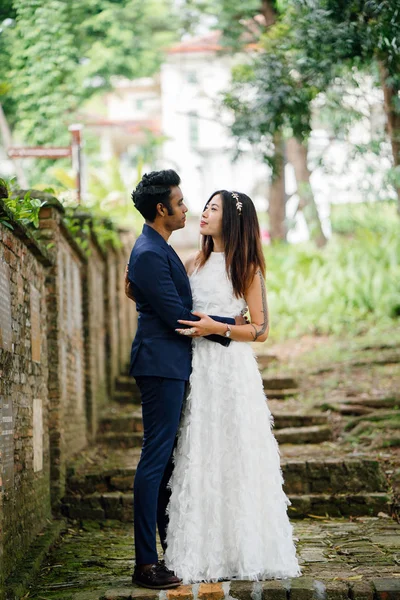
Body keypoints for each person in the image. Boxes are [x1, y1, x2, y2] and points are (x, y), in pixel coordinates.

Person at [164, 190, 302, 582]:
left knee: (236, 451)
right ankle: (204, 551)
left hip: (232, 371)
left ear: (233, 221)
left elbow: (260, 330)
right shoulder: (193, 262)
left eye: (213, 209)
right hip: (199, 370)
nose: (204, 214)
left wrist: (218, 327)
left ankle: (245, 549)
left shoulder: (247, 268)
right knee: (201, 450)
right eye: (205, 207)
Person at [126, 171, 246, 590]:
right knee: (155, 461)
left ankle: (167, 551)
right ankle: (145, 564)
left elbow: (151, 294)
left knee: (166, 461)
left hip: (171, 365)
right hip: (161, 365)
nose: (187, 207)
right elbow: (177, 315)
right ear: (162, 209)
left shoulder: (158, 248)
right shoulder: (148, 252)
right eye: (180, 202)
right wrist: (234, 324)